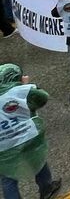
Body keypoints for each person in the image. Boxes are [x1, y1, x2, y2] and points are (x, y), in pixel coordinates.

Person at [0, 64, 59, 199]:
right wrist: (24, 85)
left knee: (8, 178)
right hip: (28, 135)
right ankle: (46, 188)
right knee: (37, 160)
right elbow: (42, 98)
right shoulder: (21, 91)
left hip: (4, 145)